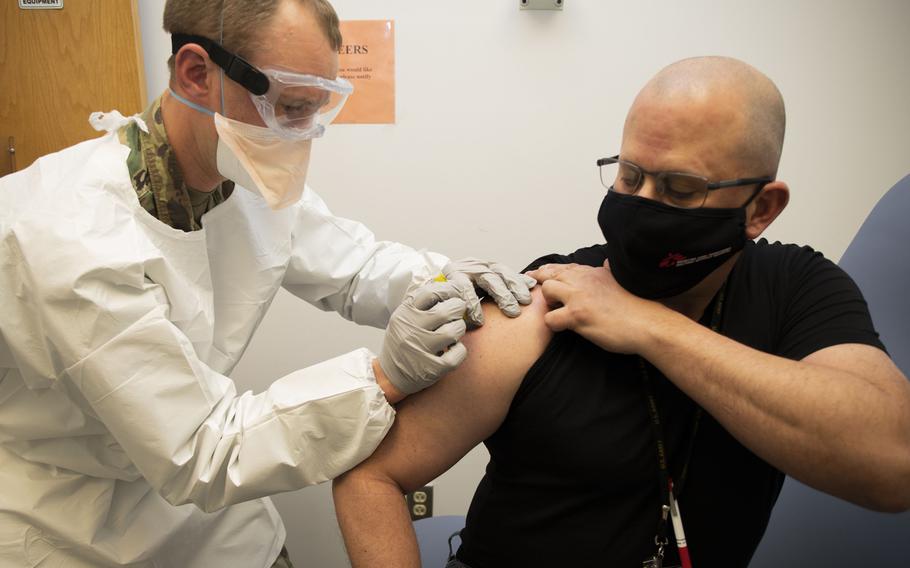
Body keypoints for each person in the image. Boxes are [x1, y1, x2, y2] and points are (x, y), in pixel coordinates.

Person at [0, 1, 536, 567]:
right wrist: (384, 377)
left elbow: (355, 267)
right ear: (197, 74)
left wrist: (441, 279)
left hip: (209, 522)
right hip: (73, 526)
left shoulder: (236, 176)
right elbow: (202, 449)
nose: (302, 131)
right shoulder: (68, 236)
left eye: (314, 108)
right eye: (288, 105)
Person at [332, 56, 910, 568]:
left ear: (760, 209)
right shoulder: (548, 297)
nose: (640, 206)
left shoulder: (796, 288)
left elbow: (891, 463)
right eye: (629, 176)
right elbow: (370, 476)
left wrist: (652, 328)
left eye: (681, 189)